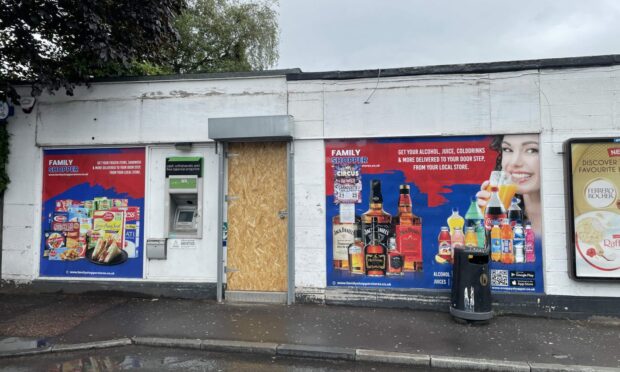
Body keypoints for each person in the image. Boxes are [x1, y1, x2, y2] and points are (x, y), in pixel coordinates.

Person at [476, 134, 541, 236]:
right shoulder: (510, 217)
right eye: (507, 149)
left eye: (531, 150)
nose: (515, 162)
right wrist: (488, 221)